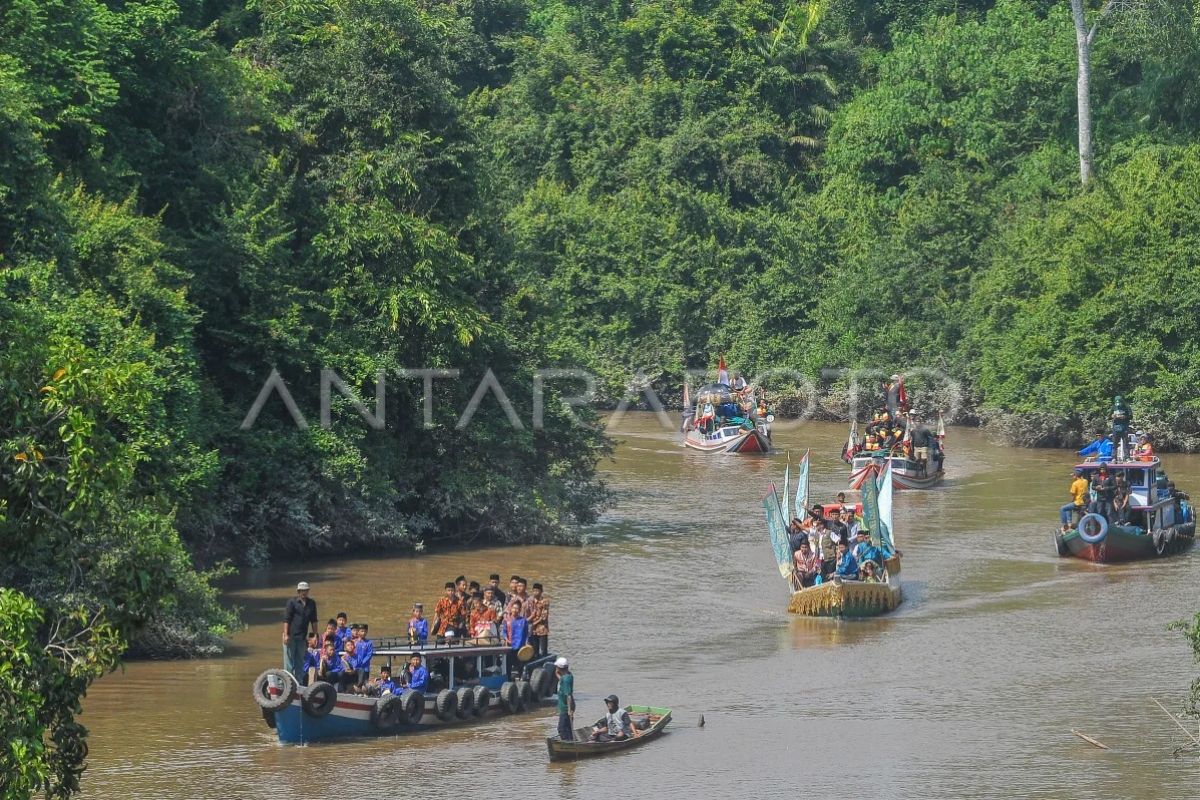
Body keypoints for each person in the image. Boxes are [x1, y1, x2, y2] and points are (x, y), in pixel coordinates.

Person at [282, 581, 318, 683]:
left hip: (302, 638)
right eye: (302, 591)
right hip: (290, 636)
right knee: (289, 662)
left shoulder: (311, 604)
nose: (304, 593)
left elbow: (314, 621)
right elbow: (286, 620)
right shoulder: (292, 602)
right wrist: (286, 635)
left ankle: (299, 684)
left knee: (300, 662)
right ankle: (287, 683)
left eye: (306, 591)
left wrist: (315, 635)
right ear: (298, 591)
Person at [504, 598, 529, 673]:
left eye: (517, 608)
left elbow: (526, 633)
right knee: (508, 664)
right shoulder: (507, 620)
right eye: (514, 608)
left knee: (520, 664)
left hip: (520, 646)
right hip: (510, 645)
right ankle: (508, 678)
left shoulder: (523, 621)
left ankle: (521, 678)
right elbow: (504, 632)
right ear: (511, 608)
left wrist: (526, 643)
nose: (515, 610)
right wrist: (506, 639)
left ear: (520, 609)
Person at [527, 583, 550, 658]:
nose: (535, 592)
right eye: (534, 591)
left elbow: (544, 617)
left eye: (537, 591)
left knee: (543, 650)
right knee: (534, 650)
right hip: (533, 630)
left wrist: (533, 624)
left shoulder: (545, 601)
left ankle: (544, 662)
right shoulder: (530, 600)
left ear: (541, 591)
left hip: (542, 629)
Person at [555, 657, 575, 741]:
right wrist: (558, 675)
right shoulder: (567, 676)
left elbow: (568, 695)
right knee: (567, 728)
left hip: (565, 708)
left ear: (559, 668)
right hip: (564, 706)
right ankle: (570, 740)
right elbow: (562, 680)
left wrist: (569, 710)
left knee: (561, 729)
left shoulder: (566, 680)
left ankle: (568, 743)